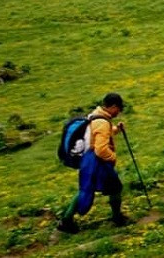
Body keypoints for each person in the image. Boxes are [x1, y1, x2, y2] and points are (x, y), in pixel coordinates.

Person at [57, 93, 131, 233]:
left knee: (87, 188)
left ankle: (66, 220)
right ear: (113, 106)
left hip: (89, 161)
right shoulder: (102, 122)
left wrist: (116, 129)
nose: (119, 112)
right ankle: (117, 218)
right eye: (118, 109)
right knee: (113, 188)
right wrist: (113, 157)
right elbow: (101, 149)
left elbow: (96, 136)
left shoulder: (96, 115)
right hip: (98, 162)